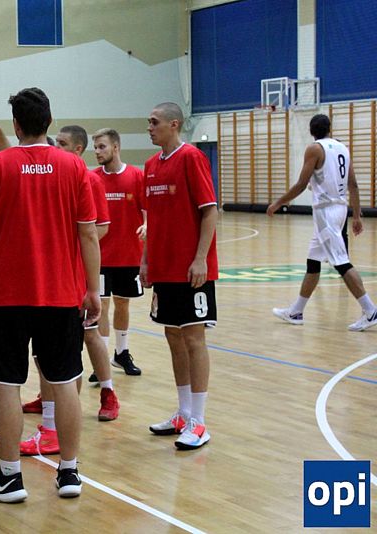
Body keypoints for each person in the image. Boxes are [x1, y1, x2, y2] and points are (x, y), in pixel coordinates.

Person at [0, 87, 100, 502]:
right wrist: (94, 289)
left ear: (16, 124)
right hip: (61, 294)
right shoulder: (74, 166)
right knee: (64, 381)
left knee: (7, 385)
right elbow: (88, 233)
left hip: (8, 297)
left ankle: (10, 478)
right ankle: (69, 472)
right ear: (49, 121)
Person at [19, 124, 119, 457]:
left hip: (78, 273)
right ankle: (53, 413)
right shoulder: (51, 175)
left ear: (77, 149)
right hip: (54, 276)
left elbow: (99, 228)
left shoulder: (87, 179)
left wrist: (68, 244)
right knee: (49, 349)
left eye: (61, 143)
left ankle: (107, 392)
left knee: (88, 336)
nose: (54, 146)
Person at [143, 102, 217, 451]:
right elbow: (153, 221)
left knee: (193, 339)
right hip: (164, 269)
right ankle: (184, 413)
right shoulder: (150, 166)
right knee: (173, 336)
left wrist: (201, 259)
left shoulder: (191, 158)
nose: (149, 127)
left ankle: (199, 422)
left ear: (174, 124)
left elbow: (210, 211)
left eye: (154, 122)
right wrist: (146, 261)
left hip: (192, 270)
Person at [268, 114, 377, 331]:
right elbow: (353, 185)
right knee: (313, 262)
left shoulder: (314, 149)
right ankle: (296, 311)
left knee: (341, 262)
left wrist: (278, 202)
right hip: (339, 209)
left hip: (326, 213)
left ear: (311, 131)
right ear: (330, 128)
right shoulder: (342, 148)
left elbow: (301, 184)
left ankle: (370, 310)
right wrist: (356, 215)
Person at [91, 128, 146, 376]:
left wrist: (147, 225)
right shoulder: (92, 178)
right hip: (100, 257)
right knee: (101, 306)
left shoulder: (136, 176)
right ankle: (101, 361)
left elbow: (148, 211)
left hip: (129, 255)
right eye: (95, 147)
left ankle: (121, 353)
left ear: (116, 147)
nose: (97, 151)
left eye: (102, 146)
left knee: (122, 304)